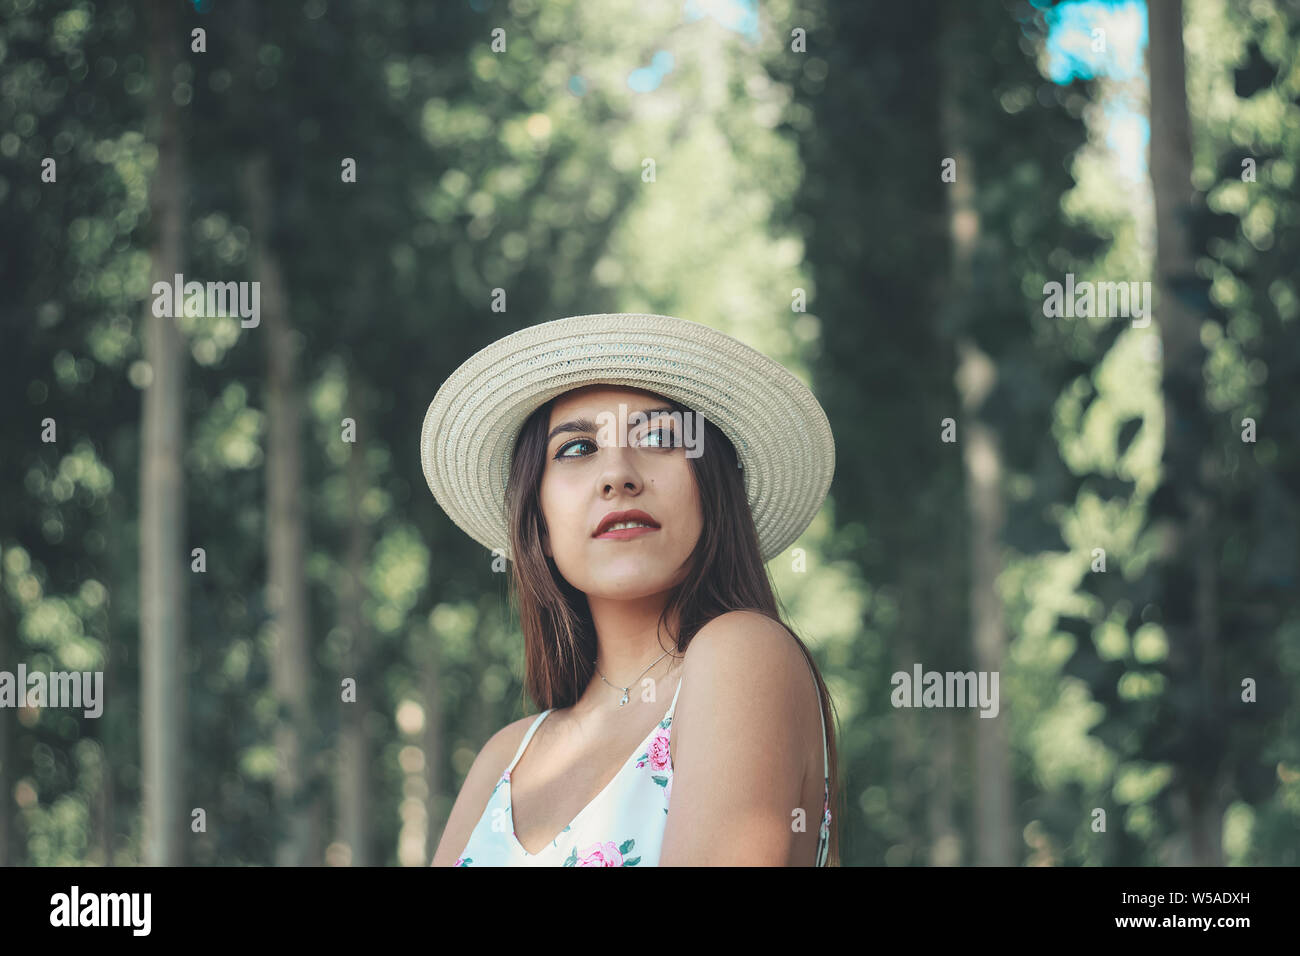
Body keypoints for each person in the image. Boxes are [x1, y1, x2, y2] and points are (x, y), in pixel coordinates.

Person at [424, 313, 839, 866]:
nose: (618, 473)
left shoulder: (743, 654)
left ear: (713, 492)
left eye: (661, 438)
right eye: (576, 449)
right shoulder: (505, 757)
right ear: (539, 526)